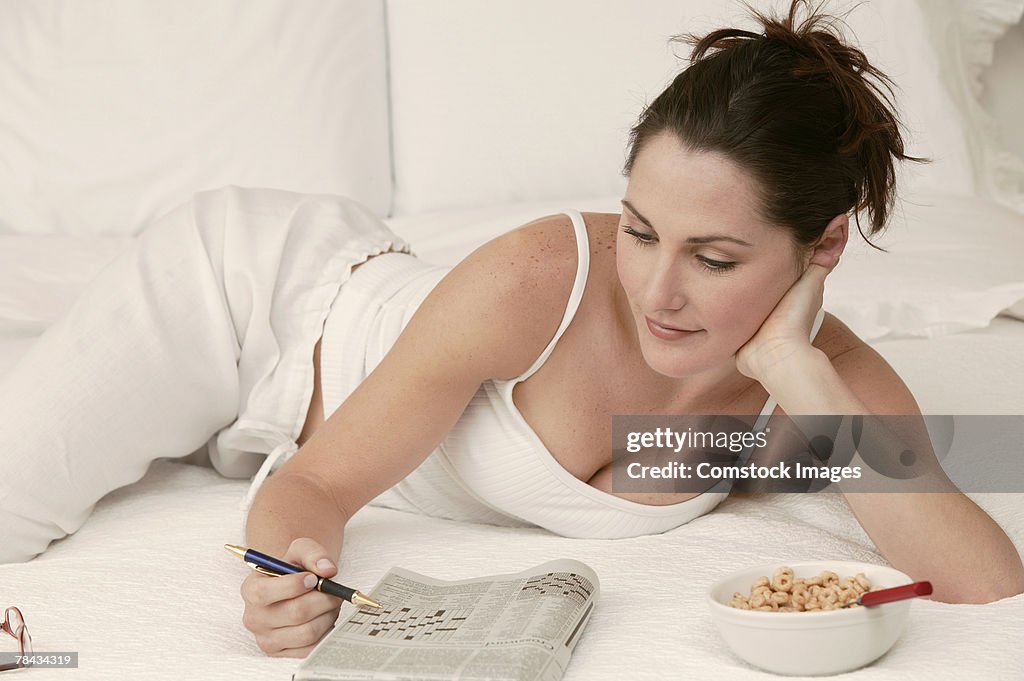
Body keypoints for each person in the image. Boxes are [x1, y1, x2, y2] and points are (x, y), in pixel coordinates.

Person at [1, 0, 1021, 659]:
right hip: (249, 304)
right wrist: (283, 578)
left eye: (713, 259)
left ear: (822, 246)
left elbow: (988, 585)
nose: (658, 290)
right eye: (638, 230)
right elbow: (316, 482)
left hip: (344, 355)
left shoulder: (813, 384)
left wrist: (799, 372)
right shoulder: (542, 279)